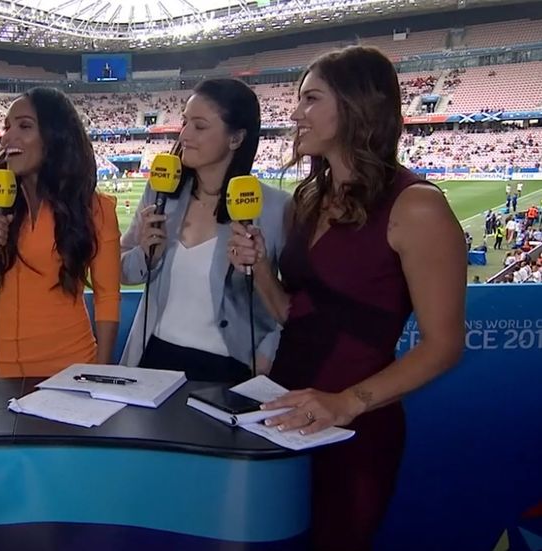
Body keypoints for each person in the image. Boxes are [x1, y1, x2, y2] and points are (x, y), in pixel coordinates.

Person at [228, 46, 465, 550]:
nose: (294, 114)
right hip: (282, 415)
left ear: (358, 105)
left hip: (356, 429)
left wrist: (344, 404)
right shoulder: (307, 200)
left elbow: (443, 346)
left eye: (310, 99)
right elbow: (296, 314)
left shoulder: (417, 206)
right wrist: (261, 271)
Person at [119, 78, 290, 383]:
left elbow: (296, 302)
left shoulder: (276, 208)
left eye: (199, 126)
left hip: (232, 367)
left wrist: (267, 354)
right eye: (185, 122)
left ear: (235, 138)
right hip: (154, 358)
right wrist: (145, 254)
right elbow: (124, 273)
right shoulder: (160, 194)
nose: (183, 135)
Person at [0, 87, 121, 378]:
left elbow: (107, 297)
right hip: (3, 370)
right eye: (7, 127)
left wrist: (101, 372)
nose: (8, 137)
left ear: (54, 136)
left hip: (75, 367)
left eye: (24, 126)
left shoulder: (95, 208)